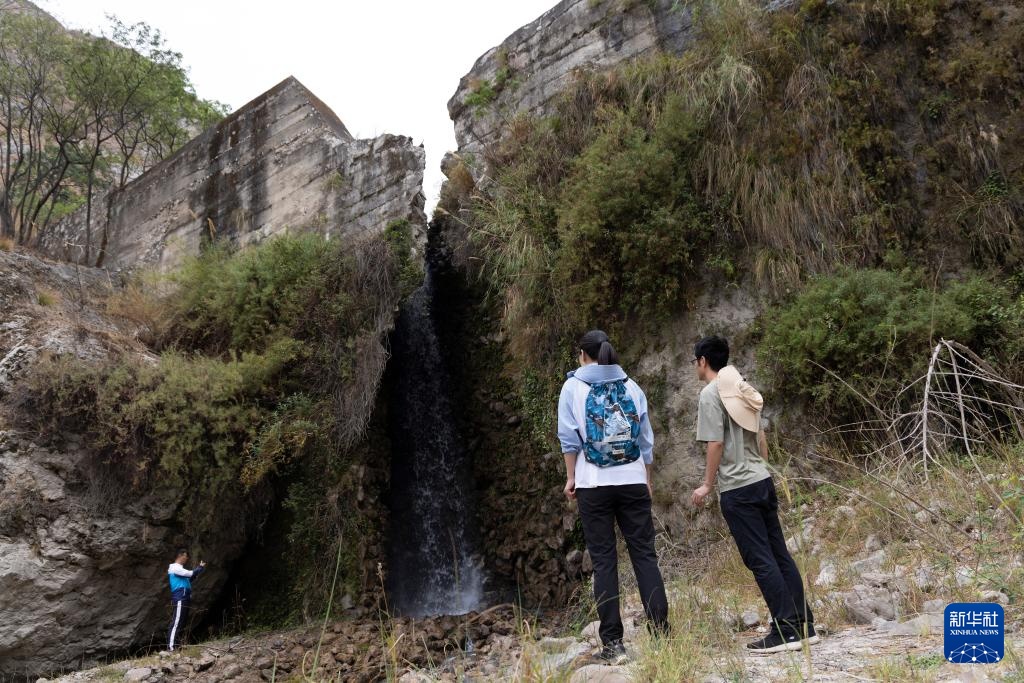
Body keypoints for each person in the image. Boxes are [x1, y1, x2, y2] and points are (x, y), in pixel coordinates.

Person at [689, 335, 818, 653]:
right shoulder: (740, 388)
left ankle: (786, 630)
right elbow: (760, 435)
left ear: (703, 361)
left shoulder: (710, 395)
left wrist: (707, 484)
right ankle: (804, 624)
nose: (695, 366)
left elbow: (715, 443)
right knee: (778, 553)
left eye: (695, 361)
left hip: (738, 489)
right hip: (761, 480)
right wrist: (763, 467)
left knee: (760, 559)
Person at [558, 329, 669, 663]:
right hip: (633, 481)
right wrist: (646, 480)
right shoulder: (631, 387)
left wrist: (571, 478)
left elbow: (569, 440)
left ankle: (613, 644)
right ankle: (661, 635)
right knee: (645, 556)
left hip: (593, 484)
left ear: (582, 355)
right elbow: (646, 441)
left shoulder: (573, 387)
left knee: (605, 560)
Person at [167, 548, 206, 652]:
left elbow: (189, 579)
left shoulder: (180, 569)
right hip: (180, 597)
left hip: (185, 596)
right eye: (185, 556)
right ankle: (171, 647)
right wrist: (199, 568)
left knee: (182, 622)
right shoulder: (175, 567)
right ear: (180, 556)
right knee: (176, 621)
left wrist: (198, 571)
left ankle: (177, 645)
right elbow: (189, 574)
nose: (187, 558)